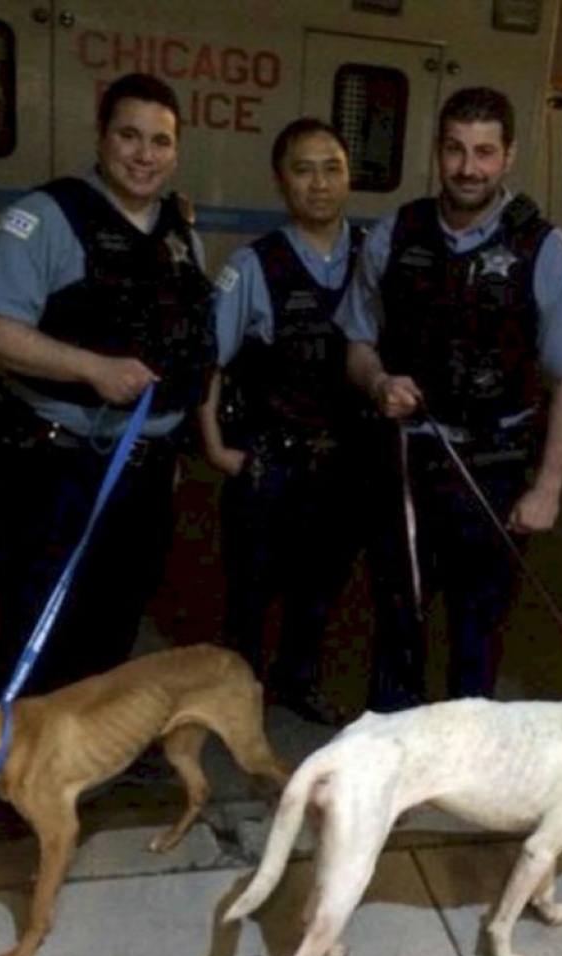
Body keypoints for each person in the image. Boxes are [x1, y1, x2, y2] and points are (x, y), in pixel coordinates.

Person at [337, 86, 562, 710]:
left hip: (497, 469)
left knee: (478, 635)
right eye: (455, 149)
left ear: (509, 157)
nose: (467, 167)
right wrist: (377, 383)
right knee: (398, 623)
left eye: (484, 152)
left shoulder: (544, 248)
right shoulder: (398, 231)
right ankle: (392, 768)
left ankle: (465, 774)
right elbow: (356, 342)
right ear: (438, 152)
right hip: (408, 462)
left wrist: (549, 487)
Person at [0, 72, 215, 703]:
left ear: (176, 150)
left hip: (147, 473)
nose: (144, 154)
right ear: (101, 139)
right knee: (30, 628)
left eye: (159, 141)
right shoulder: (48, 216)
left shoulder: (180, 230)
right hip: (57, 467)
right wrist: (91, 369)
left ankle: (79, 771)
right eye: (129, 135)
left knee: (110, 628)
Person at [198, 118, 367, 723]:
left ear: (348, 176)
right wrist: (216, 448)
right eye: (303, 169)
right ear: (281, 181)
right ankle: (236, 699)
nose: (319, 183)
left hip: (343, 460)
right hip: (270, 456)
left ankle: (299, 681)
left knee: (321, 586)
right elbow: (208, 363)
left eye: (332, 168)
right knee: (249, 589)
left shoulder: (375, 255)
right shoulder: (253, 264)